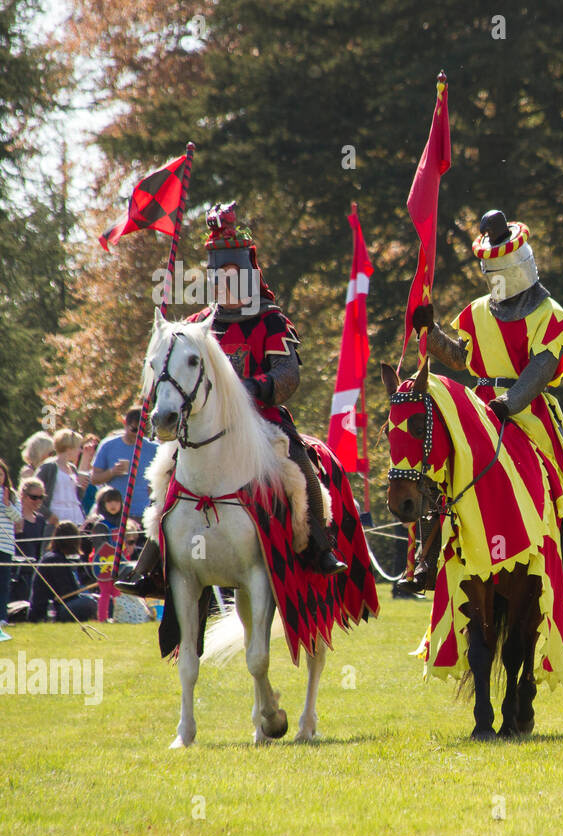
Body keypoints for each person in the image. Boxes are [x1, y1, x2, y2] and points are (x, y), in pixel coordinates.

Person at [119, 202, 347, 594]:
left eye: (230, 278)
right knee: (165, 475)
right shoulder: (196, 326)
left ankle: (317, 547)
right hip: (205, 425)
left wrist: (255, 387)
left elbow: (288, 374)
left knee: (301, 469)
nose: (224, 286)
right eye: (217, 279)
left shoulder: (270, 321)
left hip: (261, 420)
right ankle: (151, 565)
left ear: (246, 276)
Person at [418, 210, 563, 599]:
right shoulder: (478, 311)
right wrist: (427, 330)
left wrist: (512, 401)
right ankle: (424, 559)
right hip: (480, 403)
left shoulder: (550, 314)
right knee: (433, 469)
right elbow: (459, 357)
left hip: (528, 409)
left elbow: (543, 366)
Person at [90, 408, 157, 521]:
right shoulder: (108, 445)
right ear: (125, 424)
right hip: (114, 514)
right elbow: (94, 479)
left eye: (143, 431)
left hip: (144, 513)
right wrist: (112, 472)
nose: (138, 434)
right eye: (135, 429)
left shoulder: (154, 449)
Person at [28, 521, 97, 623]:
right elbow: (68, 593)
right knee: (90, 602)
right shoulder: (55, 560)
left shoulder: (54, 557)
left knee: (91, 599)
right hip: (47, 611)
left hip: (56, 606)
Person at [36, 429, 88, 526]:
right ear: (69, 449)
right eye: (78, 447)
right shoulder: (48, 466)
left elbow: (76, 498)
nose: (80, 450)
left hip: (75, 518)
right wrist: (49, 515)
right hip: (55, 518)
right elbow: (34, 493)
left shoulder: (73, 468)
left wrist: (82, 488)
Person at [12, 477, 48, 599]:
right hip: (16, 570)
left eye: (41, 497)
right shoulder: (14, 517)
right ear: (23, 495)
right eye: (34, 497)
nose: (38, 501)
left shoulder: (41, 520)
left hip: (33, 571)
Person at [0, 460, 18, 620]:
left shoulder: (11, 494)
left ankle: (2, 617)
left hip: (5, 546)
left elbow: (17, 517)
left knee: (3, 583)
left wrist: (7, 504)